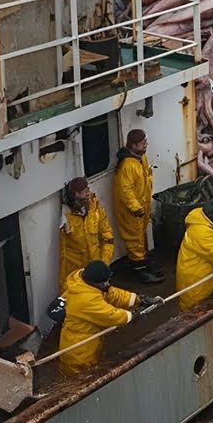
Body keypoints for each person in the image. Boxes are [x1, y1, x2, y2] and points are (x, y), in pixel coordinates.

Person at [58, 260, 158, 376]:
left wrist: (138, 299)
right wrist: (133, 315)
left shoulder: (83, 283)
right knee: (80, 379)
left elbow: (112, 294)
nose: (108, 285)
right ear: (95, 283)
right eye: (105, 283)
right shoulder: (86, 300)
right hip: (79, 352)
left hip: (87, 340)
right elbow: (110, 316)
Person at [113, 129, 160, 284]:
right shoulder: (127, 165)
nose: (146, 146)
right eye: (142, 144)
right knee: (135, 240)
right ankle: (139, 271)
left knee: (141, 236)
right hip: (132, 211)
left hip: (142, 205)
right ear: (133, 145)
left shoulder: (140, 158)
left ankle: (145, 264)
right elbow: (124, 190)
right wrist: (135, 207)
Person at [59, 177, 116, 290]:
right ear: (76, 194)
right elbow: (63, 254)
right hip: (77, 273)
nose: (88, 193)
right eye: (85, 191)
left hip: (96, 267)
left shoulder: (95, 209)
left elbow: (107, 235)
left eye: (88, 189)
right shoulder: (65, 218)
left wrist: (104, 264)